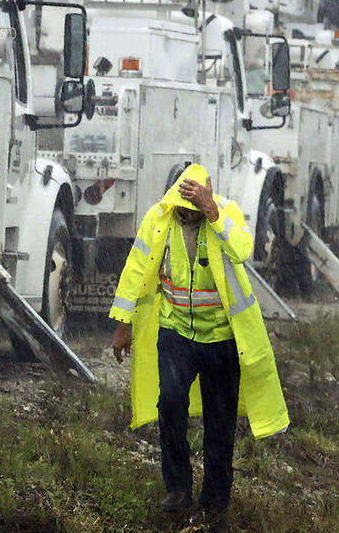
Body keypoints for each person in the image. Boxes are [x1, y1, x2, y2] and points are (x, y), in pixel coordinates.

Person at [109, 163, 288, 525]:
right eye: (183, 204)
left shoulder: (226, 212)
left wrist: (212, 211)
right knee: (170, 404)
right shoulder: (160, 220)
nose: (185, 212)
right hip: (176, 333)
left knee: (219, 424)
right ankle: (177, 488)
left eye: (193, 205)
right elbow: (135, 269)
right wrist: (121, 325)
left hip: (221, 339)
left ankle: (214, 502)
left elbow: (241, 249)